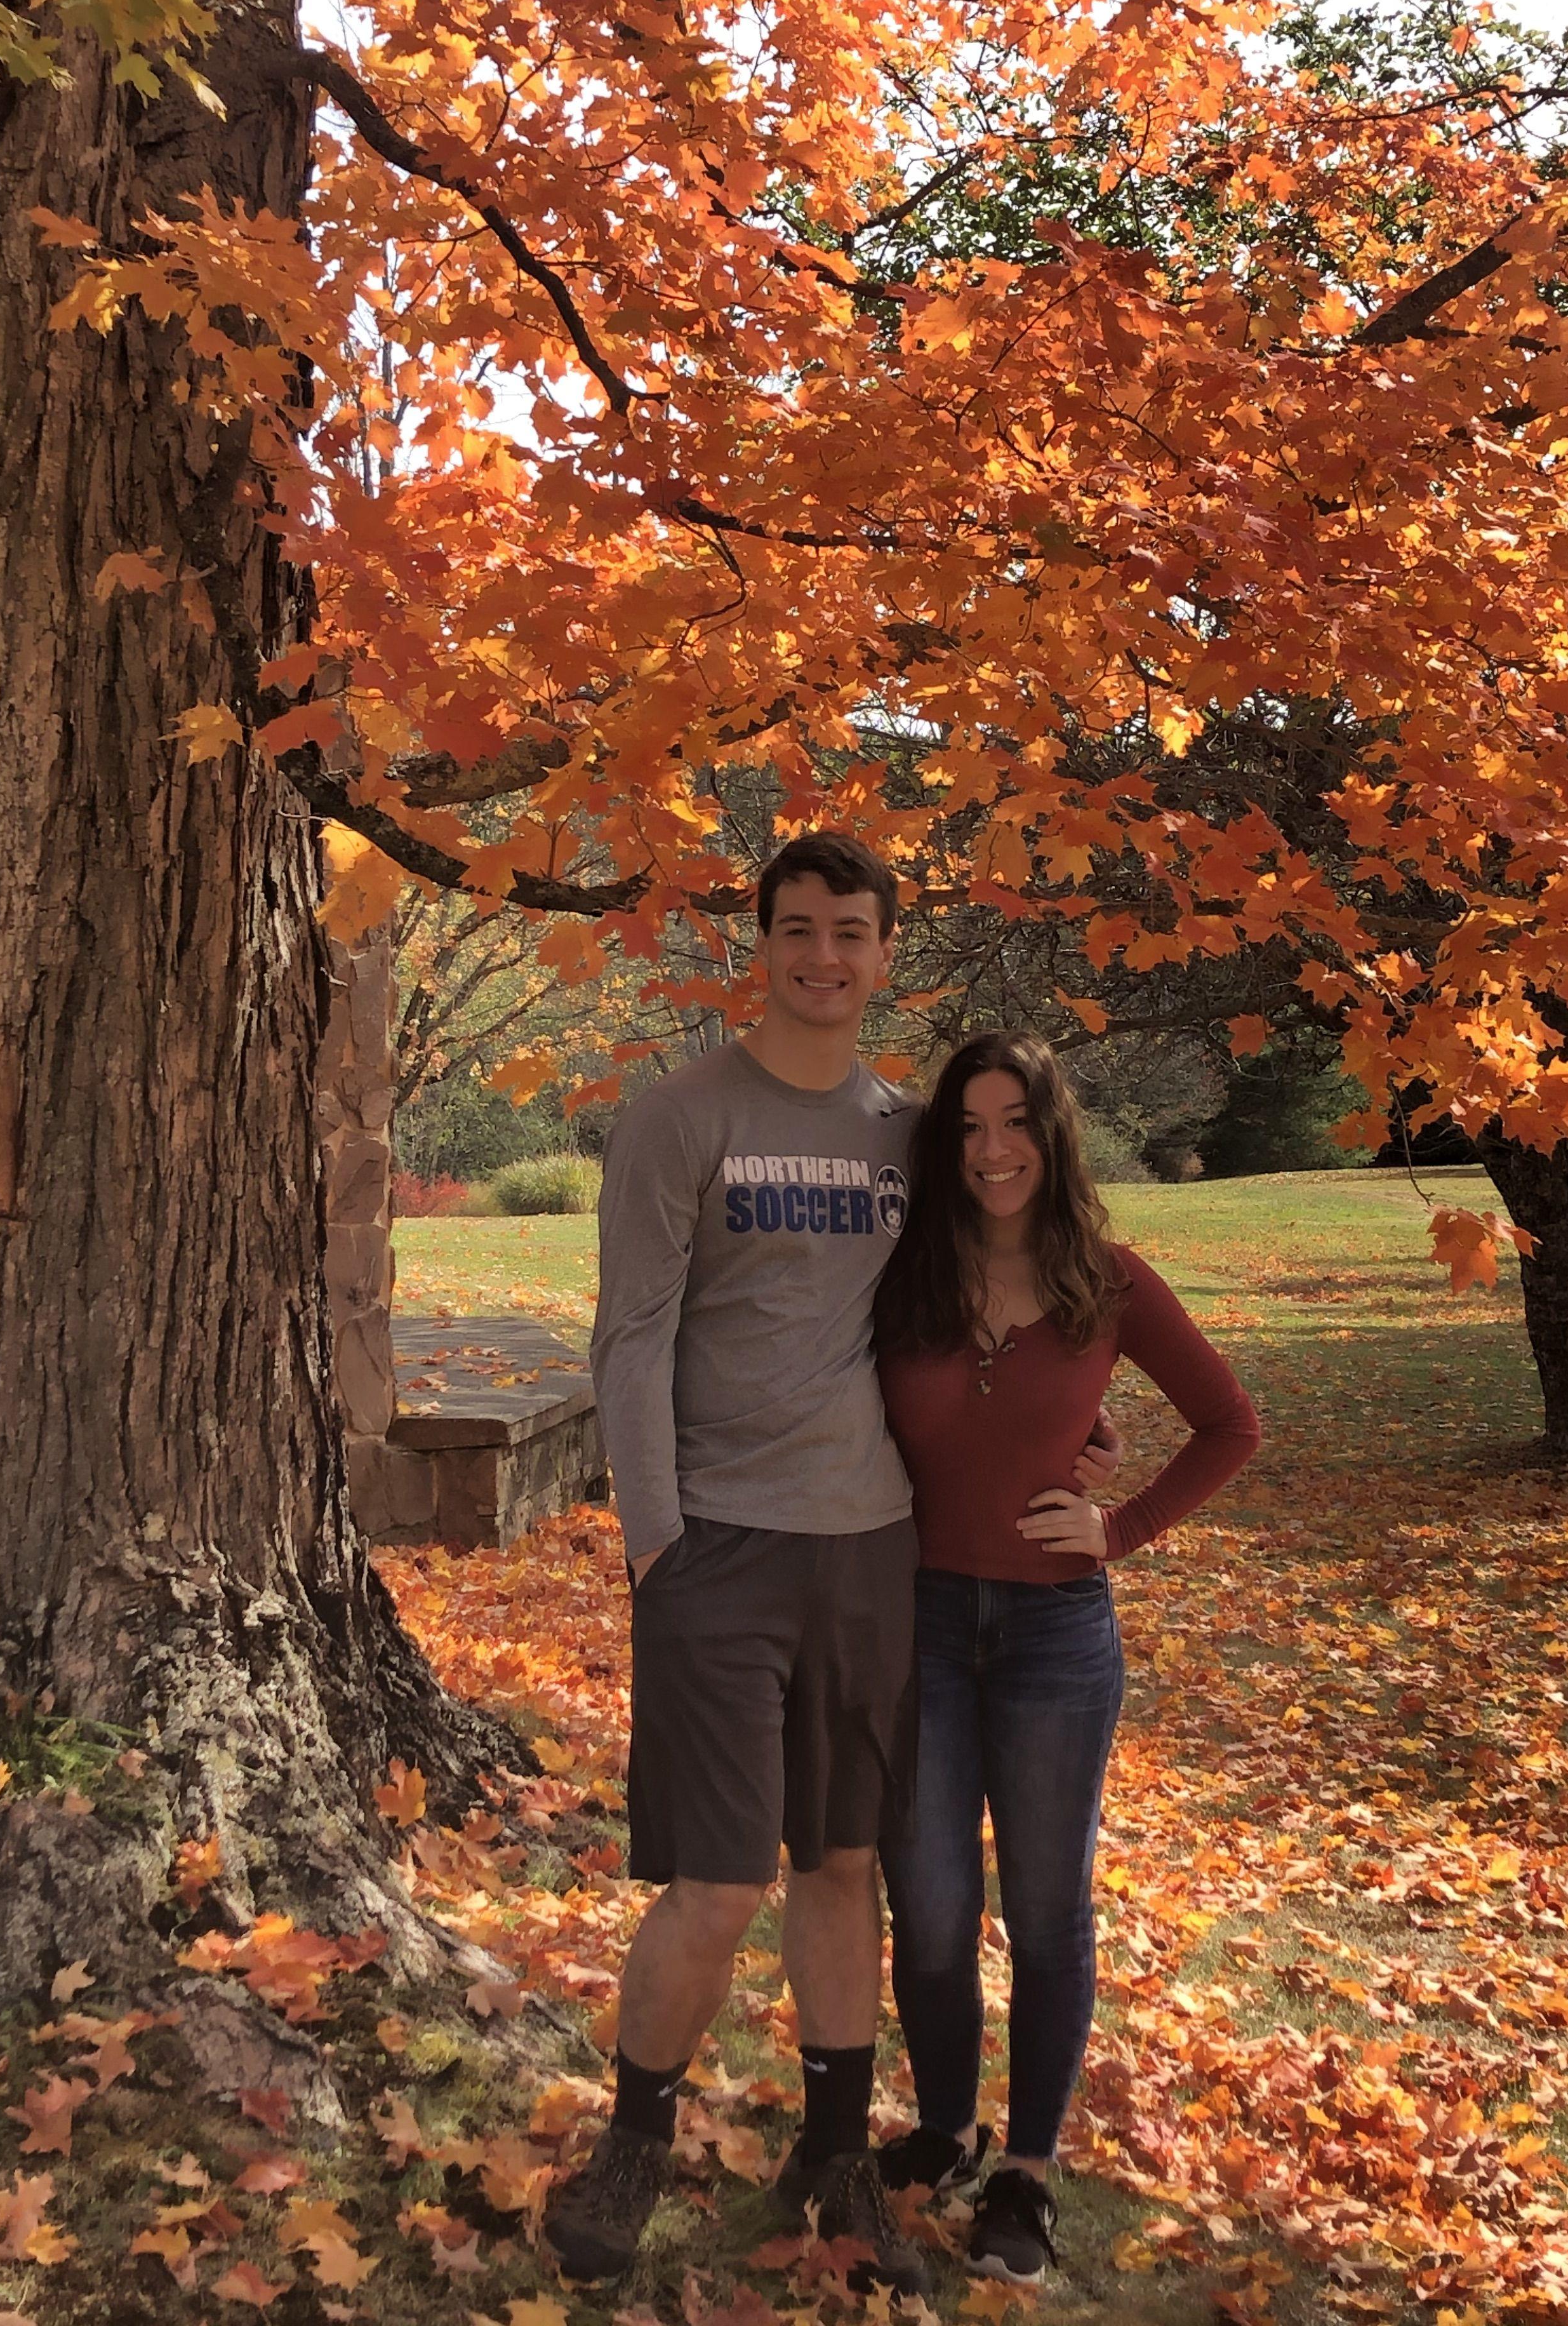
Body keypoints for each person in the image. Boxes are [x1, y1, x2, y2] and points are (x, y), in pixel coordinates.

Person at [543, 831, 933, 2295]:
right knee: (716, 1884)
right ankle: (635, 2137)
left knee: (841, 1864)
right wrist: (658, 1545)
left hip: (870, 1549)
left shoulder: (909, 1134)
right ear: (758, 946)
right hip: (718, 1550)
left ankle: (838, 2152)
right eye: (798, 931)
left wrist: (1069, 1446)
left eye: (850, 932)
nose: (823, 957)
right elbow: (630, 1338)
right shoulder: (681, 1117)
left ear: (885, 952)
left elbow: (999, 1299)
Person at [868, 1029, 1262, 2285]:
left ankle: (1026, 2174)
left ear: (1052, 1131)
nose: (994, 1151)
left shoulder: (1107, 1277)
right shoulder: (903, 1273)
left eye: (1016, 1123)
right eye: (972, 1127)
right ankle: (945, 2129)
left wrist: (1121, 1523)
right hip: (916, 1622)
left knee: (1047, 1913)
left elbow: (1230, 1424)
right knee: (928, 1913)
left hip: (1053, 1635)